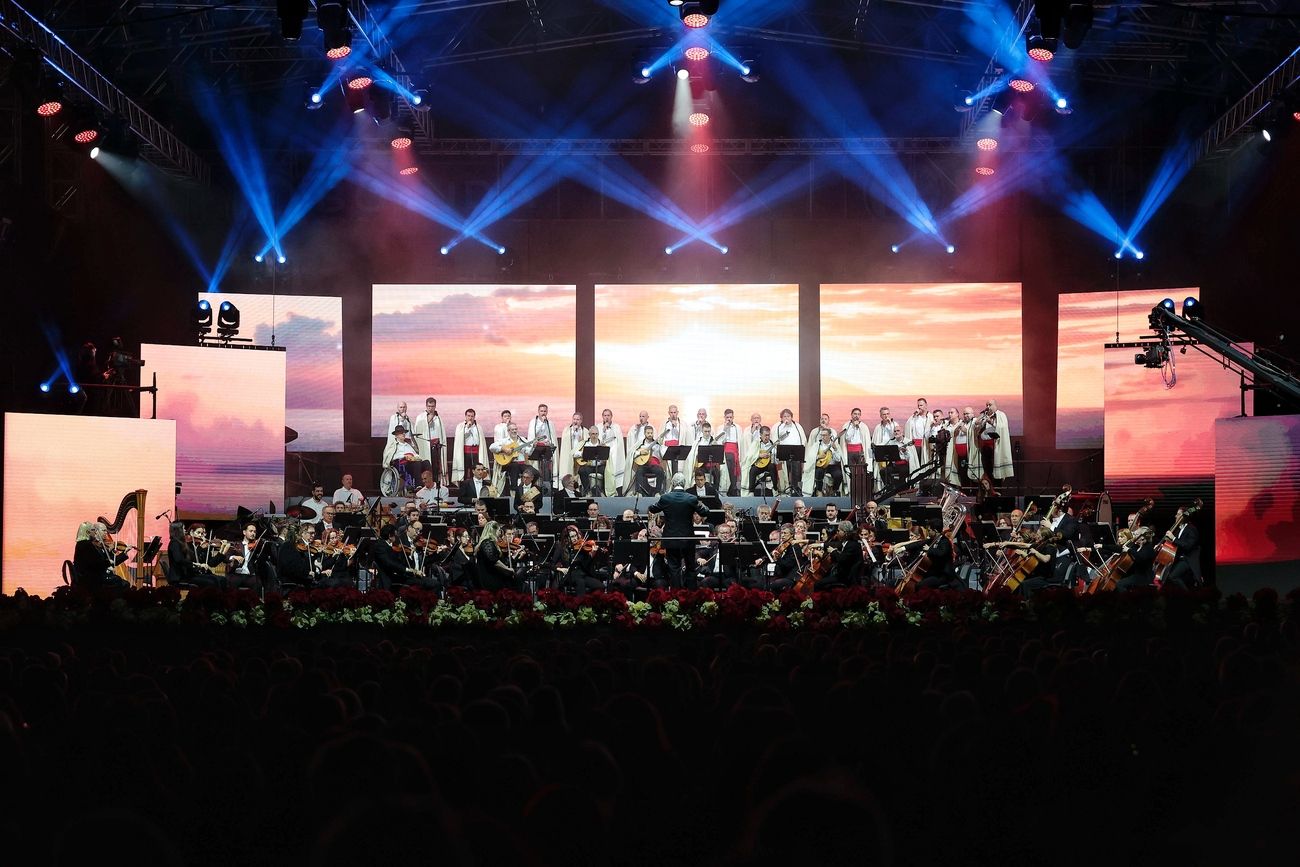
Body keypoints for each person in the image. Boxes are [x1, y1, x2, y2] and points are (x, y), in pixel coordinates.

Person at [647, 473, 710, 588]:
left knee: (674, 568)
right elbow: (705, 512)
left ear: (672, 483)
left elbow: (652, 508)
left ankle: (676, 595)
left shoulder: (665, 498)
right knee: (690, 567)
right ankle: (690, 596)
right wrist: (700, 504)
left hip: (671, 539)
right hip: (688, 539)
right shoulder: (691, 498)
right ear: (684, 484)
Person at [72, 522, 130, 589]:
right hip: (91, 580)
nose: (95, 533)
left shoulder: (84, 544)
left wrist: (124, 553)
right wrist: (108, 564)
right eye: (93, 530)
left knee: (121, 581)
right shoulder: (86, 545)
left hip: (93, 576)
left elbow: (99, 562)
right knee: (121, 583)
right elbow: (95, 564)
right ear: (88, 532)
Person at [969, 400, 1014, 485]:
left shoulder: (1001, 415)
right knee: (987, 470)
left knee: (996, 471)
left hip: (996, 447)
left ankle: (997, 491)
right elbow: (976, 427)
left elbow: (1002, 427)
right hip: (984, 447)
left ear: (995, 405)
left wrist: (991, 422)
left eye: (990, 404)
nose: (988, 406)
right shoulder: (984, 416)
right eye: (987, 405)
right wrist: (980, 420)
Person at [1159, 506, 1202, 588]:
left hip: (1187, 559)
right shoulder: (1178, 530)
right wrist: (1163, 545)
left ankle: (1186, 595)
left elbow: (1188, 545)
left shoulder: (1191, 529)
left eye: (1178, 514)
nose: (1176, 516)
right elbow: (1174, 544)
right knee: (1166, 578)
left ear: (1184, 516)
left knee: (1173, 576)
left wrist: (1173, 538)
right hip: (1177, 559)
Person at [476, 521, 519, 591]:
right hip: (489, 578)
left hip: (493, 577)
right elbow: (494, 561)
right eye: (499, 530)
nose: (500, 533)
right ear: (494, 530)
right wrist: (508, 569)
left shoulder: (491, 543)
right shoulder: (487, 542)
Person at [774, 409, 808, 495]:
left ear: (791, 417)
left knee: (796, 470)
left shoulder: (797, 426)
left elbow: (802, 439)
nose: (787, 418)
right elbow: (776, 438)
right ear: (781, 418)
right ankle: (785, 489)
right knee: (785, 472)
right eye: (784, 416)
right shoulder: (778, 426)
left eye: (788, 416)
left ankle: (795, 489)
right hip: (783, 453)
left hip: (795, 453)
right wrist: (783, 425)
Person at [413, 397, 446, 484]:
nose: (430, 408)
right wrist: (429, 418)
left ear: (435, 406)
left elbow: (441, 433)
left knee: (436, 467)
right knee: (427, 466)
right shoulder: (420, 417)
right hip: (425, 446)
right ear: (426, 406)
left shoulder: (438, 418)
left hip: (436, 446)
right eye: (429, 406)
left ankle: (436, 483)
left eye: (432, 406)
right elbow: (417, 432)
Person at [805, 426, 846, 496]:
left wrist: (835, 449)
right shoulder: (817, 445)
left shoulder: (835, 445)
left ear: (830, 436)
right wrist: (818, 456)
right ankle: (819, 490)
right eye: (821, 435)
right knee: (818, 472)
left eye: (824, 435)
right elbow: (811, 457)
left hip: (832, 465)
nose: (822, 437)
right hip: (822, 465)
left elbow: (838, 459)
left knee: (838, 475)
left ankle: (834, 490)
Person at [626, 427, 667, 496]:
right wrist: (640, 453)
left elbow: (663, 455)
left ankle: (657, 491)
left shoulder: (657, 444)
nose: (650, 434)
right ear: (645, 433)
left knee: (660, 471)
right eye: (648, 433)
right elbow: (633, 454)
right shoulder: (641, 444)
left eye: (651, 433)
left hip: (654, 466)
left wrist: (661, 445)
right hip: (644, 465)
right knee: (639, 471)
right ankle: (640, 492)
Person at [276, 523, 318, 588]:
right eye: (311, 533)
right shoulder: (289, 546)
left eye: (314, 533)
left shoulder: (308, 547)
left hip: (305, 579)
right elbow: (291, 567)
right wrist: (307, 573)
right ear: (302, 533)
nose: (313, 535)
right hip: (294, 582)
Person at [741, 426, 778, 496]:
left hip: (768, 465)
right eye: (765, 435)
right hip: (759, 465)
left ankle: (775, 489)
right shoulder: (756, 443)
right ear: (760, 435)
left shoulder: (772, 444)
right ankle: (751, 492)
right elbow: (749, 456)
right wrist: (759, 455)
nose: (767, 437)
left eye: (768, 435)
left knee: (773, 467)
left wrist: (773, 455)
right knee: (753, 470)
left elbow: (777, 458)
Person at [451, 408, 482, 482]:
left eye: (472, 416)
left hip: (475, 453)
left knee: (474, 472)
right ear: (465, 416)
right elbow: (460, 438)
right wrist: (467, 427)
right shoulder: (460, 426)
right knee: (464, 472)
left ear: (474, 417)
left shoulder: (478, 427)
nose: (470, 418)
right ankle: (463, 489)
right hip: (465, 452)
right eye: (468, 416)